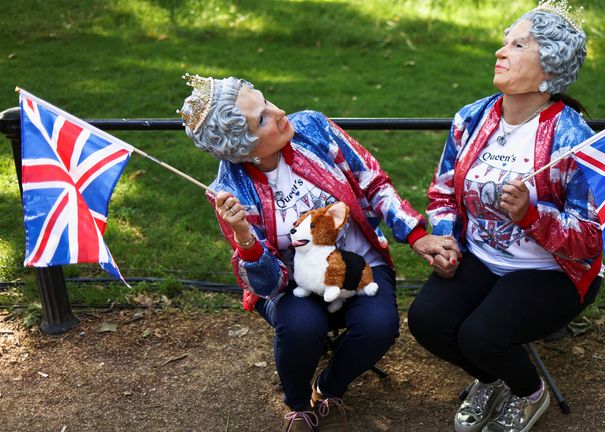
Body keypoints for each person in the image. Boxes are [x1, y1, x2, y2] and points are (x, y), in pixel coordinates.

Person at [179, 75, 453, 432]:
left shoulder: (313, 128)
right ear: (242, 148)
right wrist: (245, 239)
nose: (278, 112)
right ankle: (297, 404)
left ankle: (328, 390)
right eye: (262, 119)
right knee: (300, 326)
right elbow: (266, 283)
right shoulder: (229, 191)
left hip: (358, 263)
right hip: (294, 281)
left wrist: (415, 234)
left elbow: (372, 181)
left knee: (378, 327)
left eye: (268, 101)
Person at [407, 2, 604, 431]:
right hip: (481, 257)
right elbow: (444, 190)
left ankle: (530, 393)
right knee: (427, 321)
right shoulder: (472, 118)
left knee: (481, 335)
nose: (501, 51)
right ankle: (492, 378)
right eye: (504, 41)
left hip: (551, 272)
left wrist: (531, 216)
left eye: (518, 45)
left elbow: (591, 237)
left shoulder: (574, 138)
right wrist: (445, 238)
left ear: (549, 70)